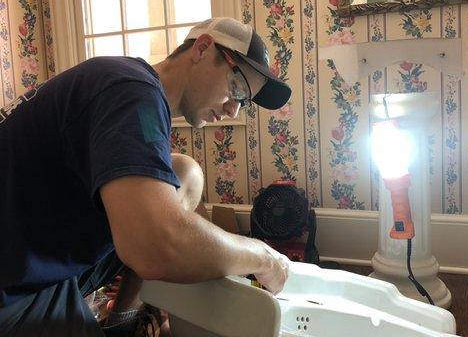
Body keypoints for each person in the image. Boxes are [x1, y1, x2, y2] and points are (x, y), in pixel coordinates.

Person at [0, 17, 292, 336]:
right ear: (204, 47)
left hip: (41, 248)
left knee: (185, 173)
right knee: (158, 238)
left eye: (244, 102)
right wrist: (262, 256)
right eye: (236, 87)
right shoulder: (130, 90)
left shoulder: (136, 91)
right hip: (13, 288)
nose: (233, 110)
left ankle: (123, 320)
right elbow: (156, 246)